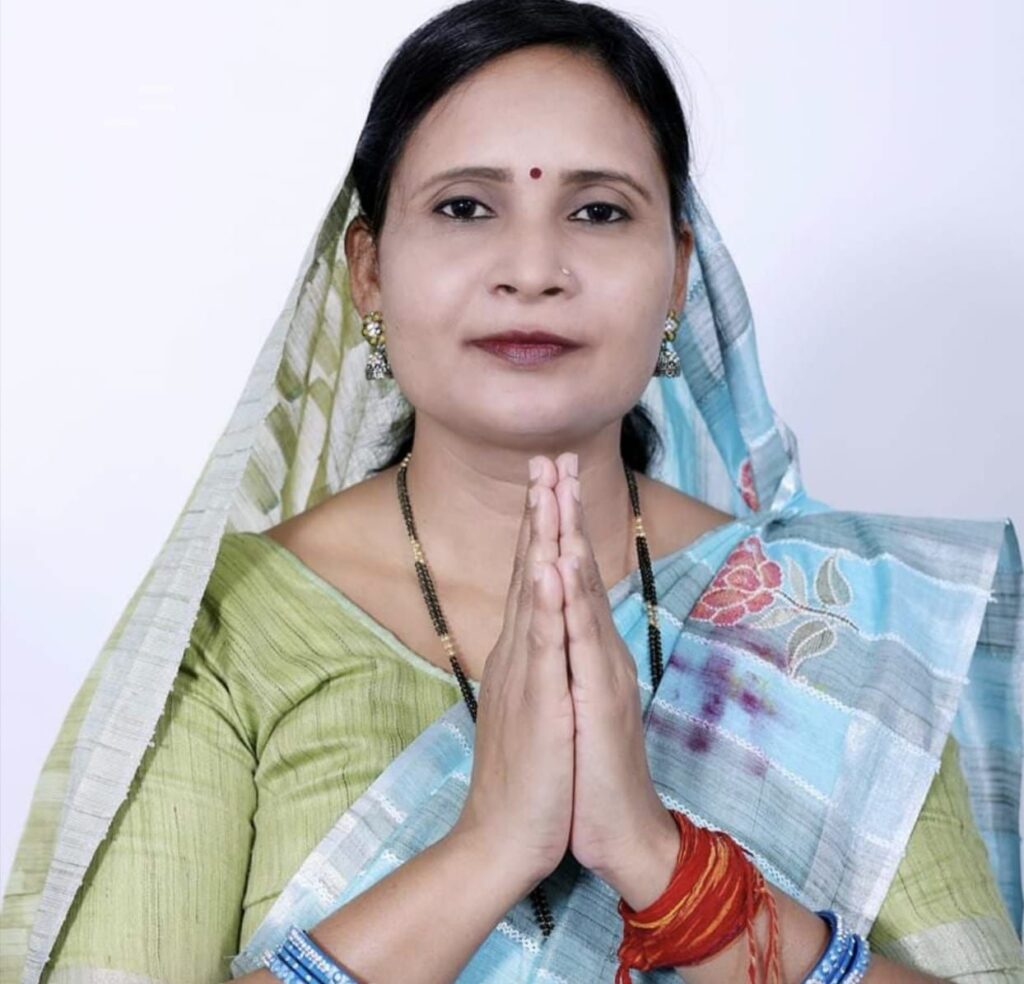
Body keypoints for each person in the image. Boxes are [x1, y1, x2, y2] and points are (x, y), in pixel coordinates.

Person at [2, 1, 1021, 981]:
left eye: (597, 211)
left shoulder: (836, 620)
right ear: (368, 270)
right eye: (465, 207)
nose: (532, 268)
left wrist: (660, 860)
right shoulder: (228, 631)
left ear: (675, 275)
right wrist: (488, 846)